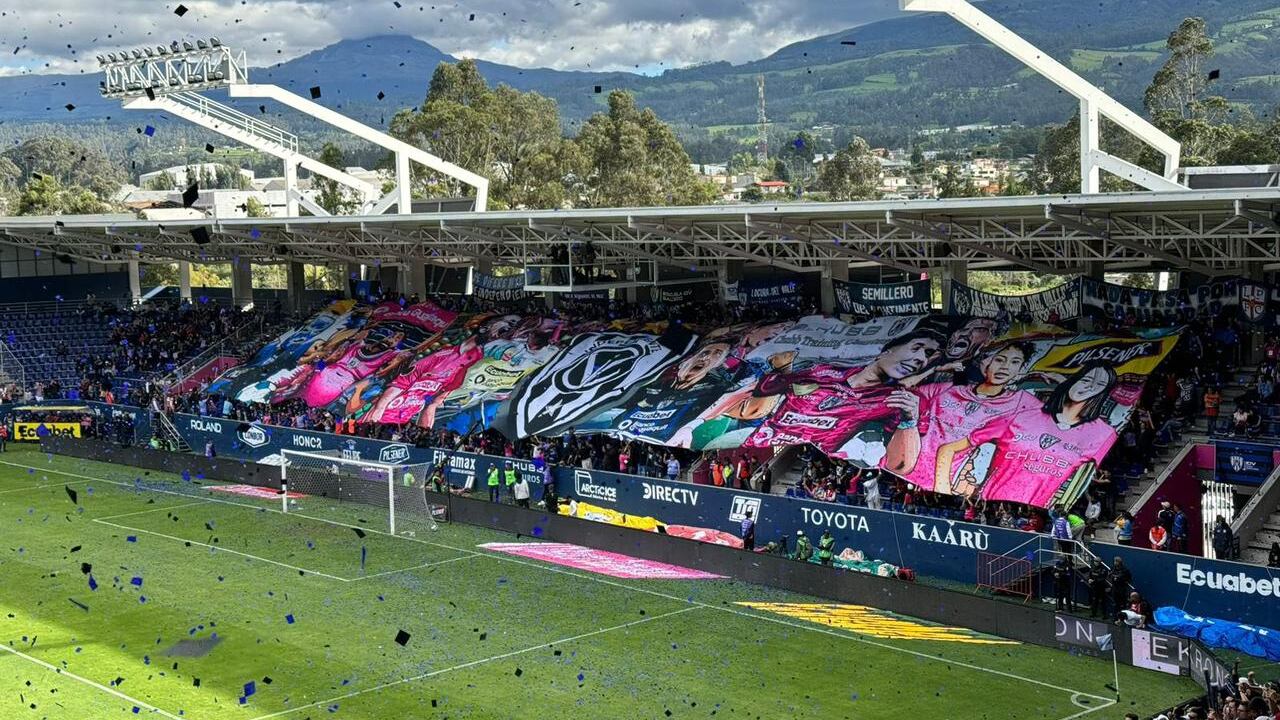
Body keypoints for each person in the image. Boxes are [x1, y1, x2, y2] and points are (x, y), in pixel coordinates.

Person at [933, 361, 1119, 507]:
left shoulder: (1103, 433)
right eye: (1086, 380)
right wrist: (942, 488)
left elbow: (1089, 476)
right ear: (1075, 379)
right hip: (991, 505)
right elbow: (949, 449)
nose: (1089, 387)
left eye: (1099, 384)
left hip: (1038, 513)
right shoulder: (1022, 415)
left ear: (1103, 391)